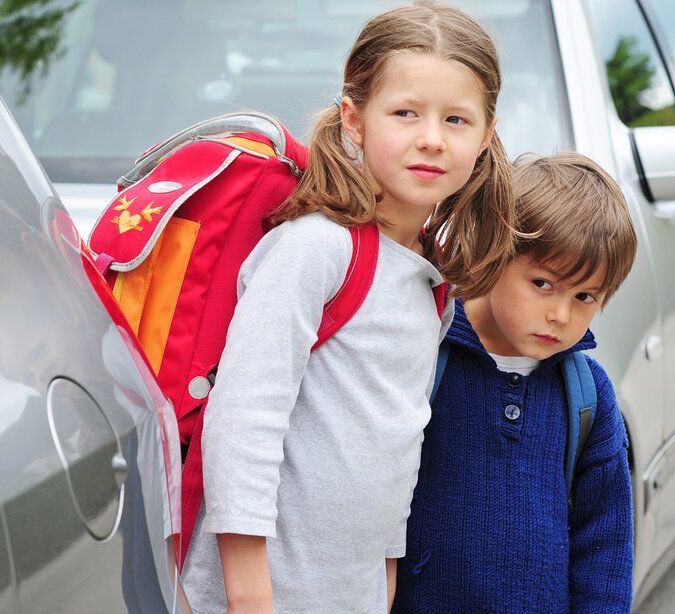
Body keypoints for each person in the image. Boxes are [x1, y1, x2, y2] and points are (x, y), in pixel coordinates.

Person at [181, 1, 515, 612]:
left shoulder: (427, 277)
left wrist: (386, 567)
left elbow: (394, 433)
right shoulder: (317, 249)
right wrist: (248, 592)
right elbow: (244, 419)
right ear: (354, 120)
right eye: (405, 113)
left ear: (486, 135)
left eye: (457, 120)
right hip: (258, 597)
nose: (432, 138)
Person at [394, 152, 639, 613]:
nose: (560, 315)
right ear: (494, 253)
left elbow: (605, 546)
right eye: (543, 283)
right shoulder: (425, 355)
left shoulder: (588, 395)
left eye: (584, 296)